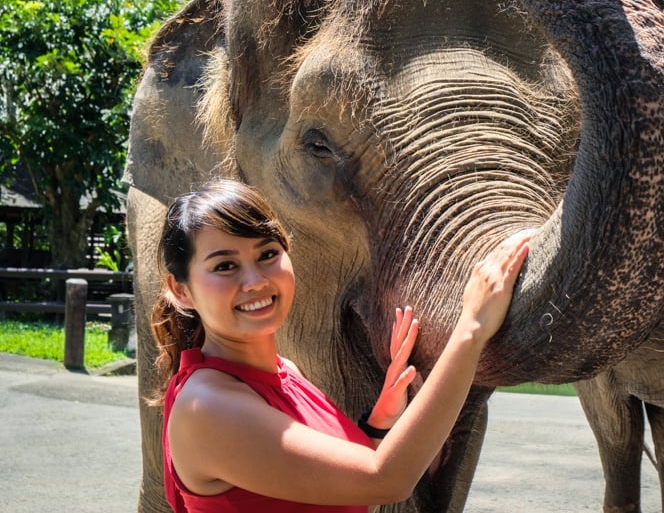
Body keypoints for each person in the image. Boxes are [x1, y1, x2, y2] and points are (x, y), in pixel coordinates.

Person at [150, 178, 533, 512]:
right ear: (181, 290)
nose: (255, 281)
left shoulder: (286, 373)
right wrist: (471, 328)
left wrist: (379, 421)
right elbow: (383, 481)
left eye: (267, 255)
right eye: (225, 266)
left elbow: (330, 482)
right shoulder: (209, 407)